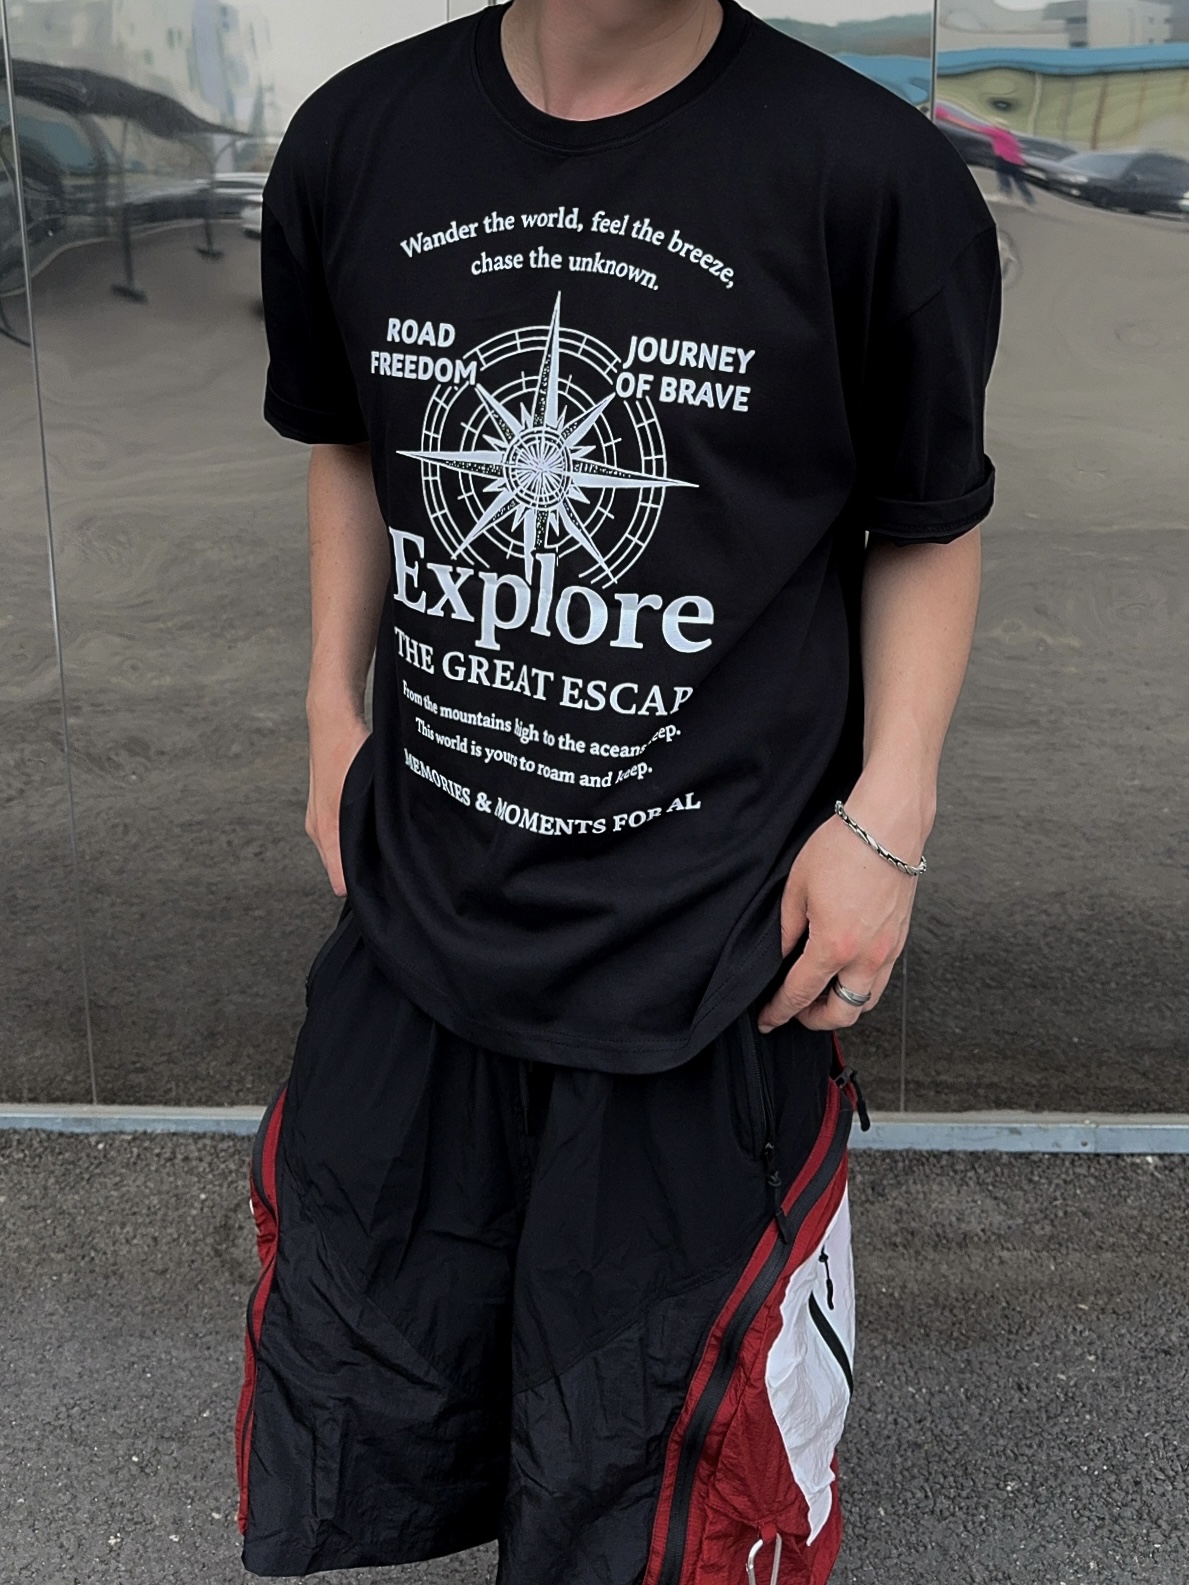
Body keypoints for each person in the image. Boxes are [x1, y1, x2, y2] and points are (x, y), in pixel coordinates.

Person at [234, 0, 1000, 1580]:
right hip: (420, 925)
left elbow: (926, 519)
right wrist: (327, 711)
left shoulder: (868, 177)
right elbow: (351, 443)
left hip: (710, 960)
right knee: (391, 1398)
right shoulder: (356, 141)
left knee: (669, 1499)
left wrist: (892, 817)